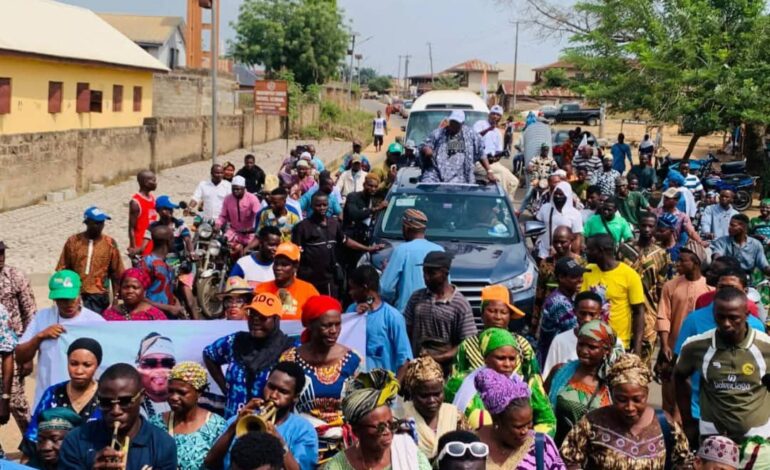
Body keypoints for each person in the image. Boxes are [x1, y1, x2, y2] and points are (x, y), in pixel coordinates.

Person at [675, 287, 770, 445]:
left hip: (758, 442)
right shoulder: (696, 346)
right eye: (720, 317)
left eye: (734, 318)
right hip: (713, 440)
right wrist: (688, 420)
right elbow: (678, 376)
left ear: (747, 315)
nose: (726, 324)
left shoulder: (765, 347)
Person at [561, 353, 691, 469]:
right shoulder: (592, 423)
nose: (630, 407)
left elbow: (684, 461)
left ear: (647, 394)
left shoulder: (665, 424)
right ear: (611, 394)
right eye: (621, 399)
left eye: (637, 399)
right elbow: (568, 459)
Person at [58, 363, 177, 470]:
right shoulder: (76, 440)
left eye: (125, 401)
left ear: (142, 397)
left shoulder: (163, 444)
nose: (116, 411)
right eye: (106, 402)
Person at [205, 361, 317, 470]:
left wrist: (279, 441)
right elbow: (210, 463)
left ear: (295, 397)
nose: (273, 395)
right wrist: (234, 427)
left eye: (283, 391)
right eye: (271, 387)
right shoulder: (240, 420)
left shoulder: (304, 430)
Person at [16, 271, 104, 406]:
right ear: (54, 299)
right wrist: (40, 337)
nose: (67, 304)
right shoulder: (42, 317)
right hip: (48, 400)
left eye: (71, 298)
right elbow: (20, 356)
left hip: (86, 400)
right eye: (61, 299)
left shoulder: (96, 322)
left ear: (79, 293)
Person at [204, 293, 296, 419]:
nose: (256, 320)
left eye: (263, 316)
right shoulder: (235, 341)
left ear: (276, 319)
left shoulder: (287, 349)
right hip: (233, 424)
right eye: (252, 315)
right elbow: (209, 354)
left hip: (268, 427)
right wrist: (226, 389)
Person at [447, 328, 555, 435]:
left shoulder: (526, 385)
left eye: (512, 359)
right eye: (501, 358)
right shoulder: (462, 383)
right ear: (486, 358)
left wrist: (529, 444)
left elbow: (547, 420)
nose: (507, 364)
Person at [323, 369, 432, 470]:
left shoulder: (410, 456)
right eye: (380, 427)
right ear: (356, 431)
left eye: (392, 425)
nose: (387, 432)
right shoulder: (338, 466)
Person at [22, 337, 103, 460]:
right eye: (73, 364)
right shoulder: (53, 393)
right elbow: (33, 437)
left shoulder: (105, 395)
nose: (79, 371)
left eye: (87, 365)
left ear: (97, 365)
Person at [655, 247, 712, 420]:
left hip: (699, 352)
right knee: (669, 398)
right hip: (673, 349)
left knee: (688, 400)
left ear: (695, 262)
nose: (677, 263)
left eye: (682, 260)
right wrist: (665, 345)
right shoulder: (670, 286)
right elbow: (663, 316)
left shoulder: (709, 287)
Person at [293, 192, 381, 297]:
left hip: (330, 278)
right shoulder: (302, 227)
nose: (322, 208)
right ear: (311, 206)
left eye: (325, 205)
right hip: (310, 278)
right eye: (318, 205)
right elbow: (295, 252)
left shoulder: (334, 224)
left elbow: (346, 241)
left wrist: (368, 248)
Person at [473, 369, 565, 469]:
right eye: (518, 427)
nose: (525, 431)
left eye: (529, 423)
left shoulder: (541, 445)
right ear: (496, 420)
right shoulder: (472, 446)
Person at [546, 320, 619, 446]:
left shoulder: (613, 382)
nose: (584, 351)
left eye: (592, 347)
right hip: (558, 450)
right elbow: (541, 408)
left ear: (606, 350)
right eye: (581, 344)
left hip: (597, 452)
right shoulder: (560, 372)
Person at [404, 251, 477, 371]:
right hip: (417, 368)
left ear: (445, 273)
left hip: (446, 371)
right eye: (424, 273)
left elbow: (467, 343)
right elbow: (406, 331)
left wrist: (439, 358)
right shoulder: (416, 298)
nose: (426, 277)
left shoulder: (460, 304)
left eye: (432, 273)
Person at [149, 362, 226, 470]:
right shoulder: (156, 424)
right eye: (170, 391)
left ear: (199, 392)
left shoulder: (217, 426)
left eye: (182, 392)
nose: (174, 397)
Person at [619, 213, 672, 364]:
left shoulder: (661, 254)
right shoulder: (625, 249)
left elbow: (661, 286)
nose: (647, 229)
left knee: (643, 357)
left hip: (649, 311)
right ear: (638, 226)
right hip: (625, 307)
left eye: (651, 226)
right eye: (644, 225)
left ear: (656, 228)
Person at [582, 234, 645, 354]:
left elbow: (639, 312)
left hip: (617, 343)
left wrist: (637, 348)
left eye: (590, 249)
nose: (586, 252)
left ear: (601, 251)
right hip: (590, 341)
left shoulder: (630, 275)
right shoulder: (588, 270)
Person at [396, 356, 468, 458]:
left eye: (437, 394)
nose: (432, 401)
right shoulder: (400, 417)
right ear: (412, 393)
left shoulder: (455, 416)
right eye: (424, 395)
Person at [56, 206, 124, 314]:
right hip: (75, 293)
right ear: (87, 222)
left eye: (102, 222)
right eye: (96, 223)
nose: (100, 226)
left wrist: (116, 299)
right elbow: (63, 269)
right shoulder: (73, 241)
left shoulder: (109, 243)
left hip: (99, 295)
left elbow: (116, 273)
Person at [346, 266, 412, 373]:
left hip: (382, 386)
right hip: (355, 385)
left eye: (353, 288)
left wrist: (395, 386)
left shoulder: (392, 317)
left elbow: (404, 358)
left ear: (364, 288)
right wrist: (354, 317)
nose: (350, 292)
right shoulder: (351, 310)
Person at [0, 240, 36, 434]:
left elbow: (30, 314)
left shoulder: (16, 276)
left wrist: (27, 354)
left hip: (13, 349)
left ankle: (33, 442)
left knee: (16, 401)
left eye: (2, 253)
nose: (0, 258)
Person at [380, 209, 444, 312]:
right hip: (434, 314)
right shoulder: (439, 250)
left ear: (405, 228)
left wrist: (386, 273)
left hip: (406, 314)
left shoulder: (402, 250)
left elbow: (385, 288)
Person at [543, 292, 613, 378]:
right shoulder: (560, 341)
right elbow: (548, 375)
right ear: (574, 312)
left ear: (600, 314)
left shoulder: (612, 342)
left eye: (592, 314)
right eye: (583, 314)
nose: (587, 319)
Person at [419, 110, 497, 185]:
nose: (453, 125)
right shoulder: (438, 133)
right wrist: (426, 149)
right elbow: (425, 145)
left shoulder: (471, 135)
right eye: (452, 122)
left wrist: (489, 171)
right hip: (436, 174)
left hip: (462, 178)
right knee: (426, 185)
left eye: (457, 123)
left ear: (462, 123)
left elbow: (481, 153)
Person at [537, 258, 584, 366]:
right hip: (554, 358)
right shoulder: (560, 303)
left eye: (581, 276)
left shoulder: (563, 296)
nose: (580, 280)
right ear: (561, 278)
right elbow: (578, 332)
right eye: (574, 277)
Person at [254, 243, 319, 321]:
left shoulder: (308, 291)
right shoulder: (261, 290)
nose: (278, 268)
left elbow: (317, 319)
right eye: (276, 263)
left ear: (295, 267)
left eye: (284, 264)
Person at [535, 182, 584, 261]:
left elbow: (577, 237)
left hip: (564, 255)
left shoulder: (575, 214)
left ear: (567, 196)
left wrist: (575, 257)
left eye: (561, 194)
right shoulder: (545, 208)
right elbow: (537, 228)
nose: (557, 196)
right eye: (556, 194)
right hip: (544, 254)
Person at [141, 226, 182, 318]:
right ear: (168, 241)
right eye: (173, 239)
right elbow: (140, 297)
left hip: (168, 316)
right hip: (151, 317)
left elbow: (167, 288)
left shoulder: (168, 262)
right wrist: (168, 308)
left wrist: (176, 302)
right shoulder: (147, 263)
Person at [218, 176, 262, 258]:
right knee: (219, 246)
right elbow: (223, 216)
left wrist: (251, 229)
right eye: (233, 189)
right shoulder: (228, 199)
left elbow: (259, 217)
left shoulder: (252, 199)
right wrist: (217, 225)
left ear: (244, 188)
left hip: (250, 234)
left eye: (238, 189)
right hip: (233, 232)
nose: (235, 191)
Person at [135, 332, 176, 419]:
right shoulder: (132, 407)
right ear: (139, 369)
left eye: (167, 363)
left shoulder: (195, 402)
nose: (159, 370)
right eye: (151, 363)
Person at [342, 174, 388, 251]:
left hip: (367, 240)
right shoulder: (353, 197)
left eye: (375, 187)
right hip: (352, 241)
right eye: (370, 186)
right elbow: (354, 215)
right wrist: (376, 209)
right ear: (364, 185)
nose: (373, 189)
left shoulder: (375, 199)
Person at [100, 268, 166, 321]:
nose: (130, 291)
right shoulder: (110, 314)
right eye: (126, 287)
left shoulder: (155, 316)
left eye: (135, 287)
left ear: (144, 291)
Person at [128, 169, 158, 258]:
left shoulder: (152, 198)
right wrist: (134, 248)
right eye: (153, 180)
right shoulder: (136, 203)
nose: (156, 183)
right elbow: (131, 228)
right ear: (145, 182)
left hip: (152, 243)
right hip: (140, 245)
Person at [521, 143, 558, 213]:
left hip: (546, 180)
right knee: (528, 195)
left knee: (554, 194)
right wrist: (530, 168)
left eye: (547, 150)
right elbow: (530, 165)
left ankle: (552, 211)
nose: (545, 151)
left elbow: (556, 167)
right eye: (544, 149)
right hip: (536, 180)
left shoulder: (551, 160)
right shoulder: (535, 158)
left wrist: (557, 170)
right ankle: (519, 211)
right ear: (541, 150)